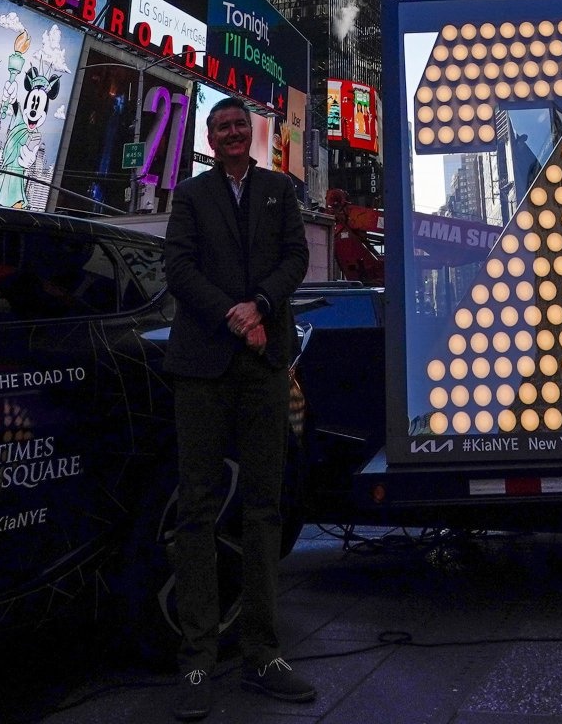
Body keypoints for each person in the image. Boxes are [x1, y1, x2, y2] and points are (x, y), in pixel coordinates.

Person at [162, 96, 314, 717]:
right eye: (220, 125)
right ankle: (197, 658)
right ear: (209, 135)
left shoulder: (280, 189)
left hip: (263, 366)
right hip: (202, 366)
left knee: (263, 508)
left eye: (237, 126)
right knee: (196, 508)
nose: (229, 133)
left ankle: (262, 651)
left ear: (252, 134)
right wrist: (231, 312)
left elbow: (296, 259)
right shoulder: (191, 196)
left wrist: (262, 305)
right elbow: (177, 266)